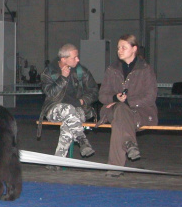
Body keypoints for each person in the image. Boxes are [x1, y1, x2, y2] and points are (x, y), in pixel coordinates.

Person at [98, 34, 158, 177]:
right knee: (119, 109)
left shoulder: (146, 70)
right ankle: (129, 143)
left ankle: (115, 168)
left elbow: (150, 97)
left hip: (140, 112)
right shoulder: (111, 69)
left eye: (123, 47)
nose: (119, 50)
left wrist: (128, 101)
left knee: (121, 113)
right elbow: (102, 95)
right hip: (112, 110)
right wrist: (114, 97)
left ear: (134, 49)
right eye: (118, 48)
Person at [37, 43, 98, 165]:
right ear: (64, 59)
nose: (78, 60)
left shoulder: (82, 71)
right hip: (54, 109)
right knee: (68, 109)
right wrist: (62, 79)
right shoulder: (48, 72)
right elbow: (50, 93)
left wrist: (82, 101)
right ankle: (82, 140)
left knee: (69, 124)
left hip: (77, 109)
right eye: (74, 57)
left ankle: (56, 163)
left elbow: (94, 90)